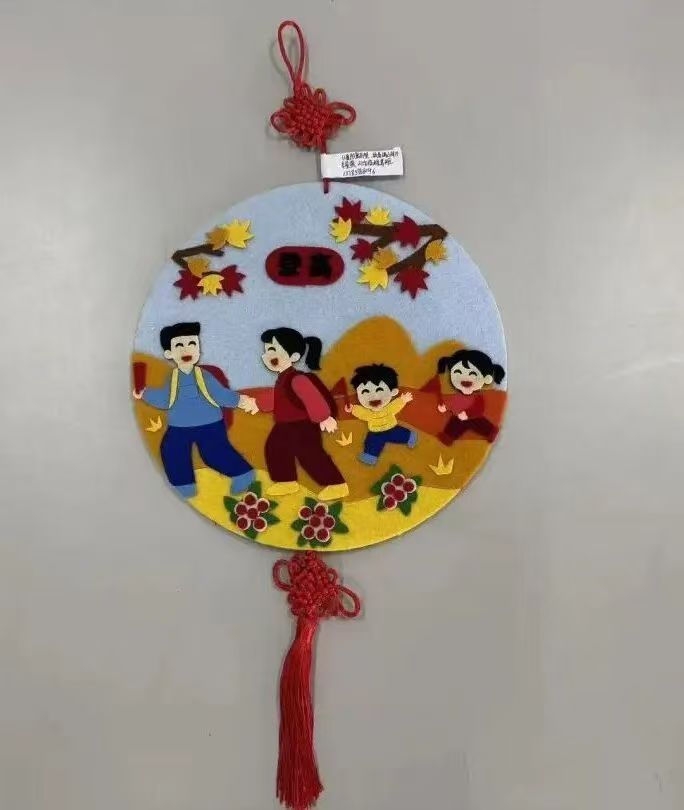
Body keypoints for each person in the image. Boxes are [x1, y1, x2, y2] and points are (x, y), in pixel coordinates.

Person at [133, 322, 258, 498]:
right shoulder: (172, 378)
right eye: (179, 345)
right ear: (169, 353)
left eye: (192, 343)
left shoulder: (204, 377)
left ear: (198, 349)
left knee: (213, 453)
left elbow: (220, 395)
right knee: (172, 450)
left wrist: (242, 401)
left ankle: (242, 473)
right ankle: (184, 484)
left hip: (210, 424)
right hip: (179, 426)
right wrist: (145, 393)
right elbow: (165, 399)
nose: (187, 349)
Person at [257, 327, 348, 501]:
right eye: (267, 351)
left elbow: (312, 398)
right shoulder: (282, 379)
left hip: (303, 426)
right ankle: (286, 481)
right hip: (284, 425)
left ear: (294, 357)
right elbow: (277, 399)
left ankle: (336, 483)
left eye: (273, 349)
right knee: (275, 448)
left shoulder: (297, 379)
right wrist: (257, 404)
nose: (268, 355)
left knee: (310, 455)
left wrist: (324, 418)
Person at [345, 364, 416, 465]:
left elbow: (395, 406)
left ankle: (410, 436)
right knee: (371, 443)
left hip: (391, 428)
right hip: (375, 433)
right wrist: (353, 409)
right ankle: (370, 456)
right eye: (365, 391)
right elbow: (362, 413)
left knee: (401, 434)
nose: (373, 397)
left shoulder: (388, 408)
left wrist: (403, 400)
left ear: (393, 392)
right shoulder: (368, 413)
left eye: (379, 390)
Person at [435, 349, 505, 445]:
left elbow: (479, 409)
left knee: (480, 424)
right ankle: (448, 436)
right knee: (454, 423)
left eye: (472, 374)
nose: (465, 380)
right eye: (458, 372)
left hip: (472, 417)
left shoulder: (477, 397)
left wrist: (468, 414)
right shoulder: (455, 394)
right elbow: (451, 403)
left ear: (486, 379)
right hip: (458, 416)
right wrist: (444, 407)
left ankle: (491, 432)